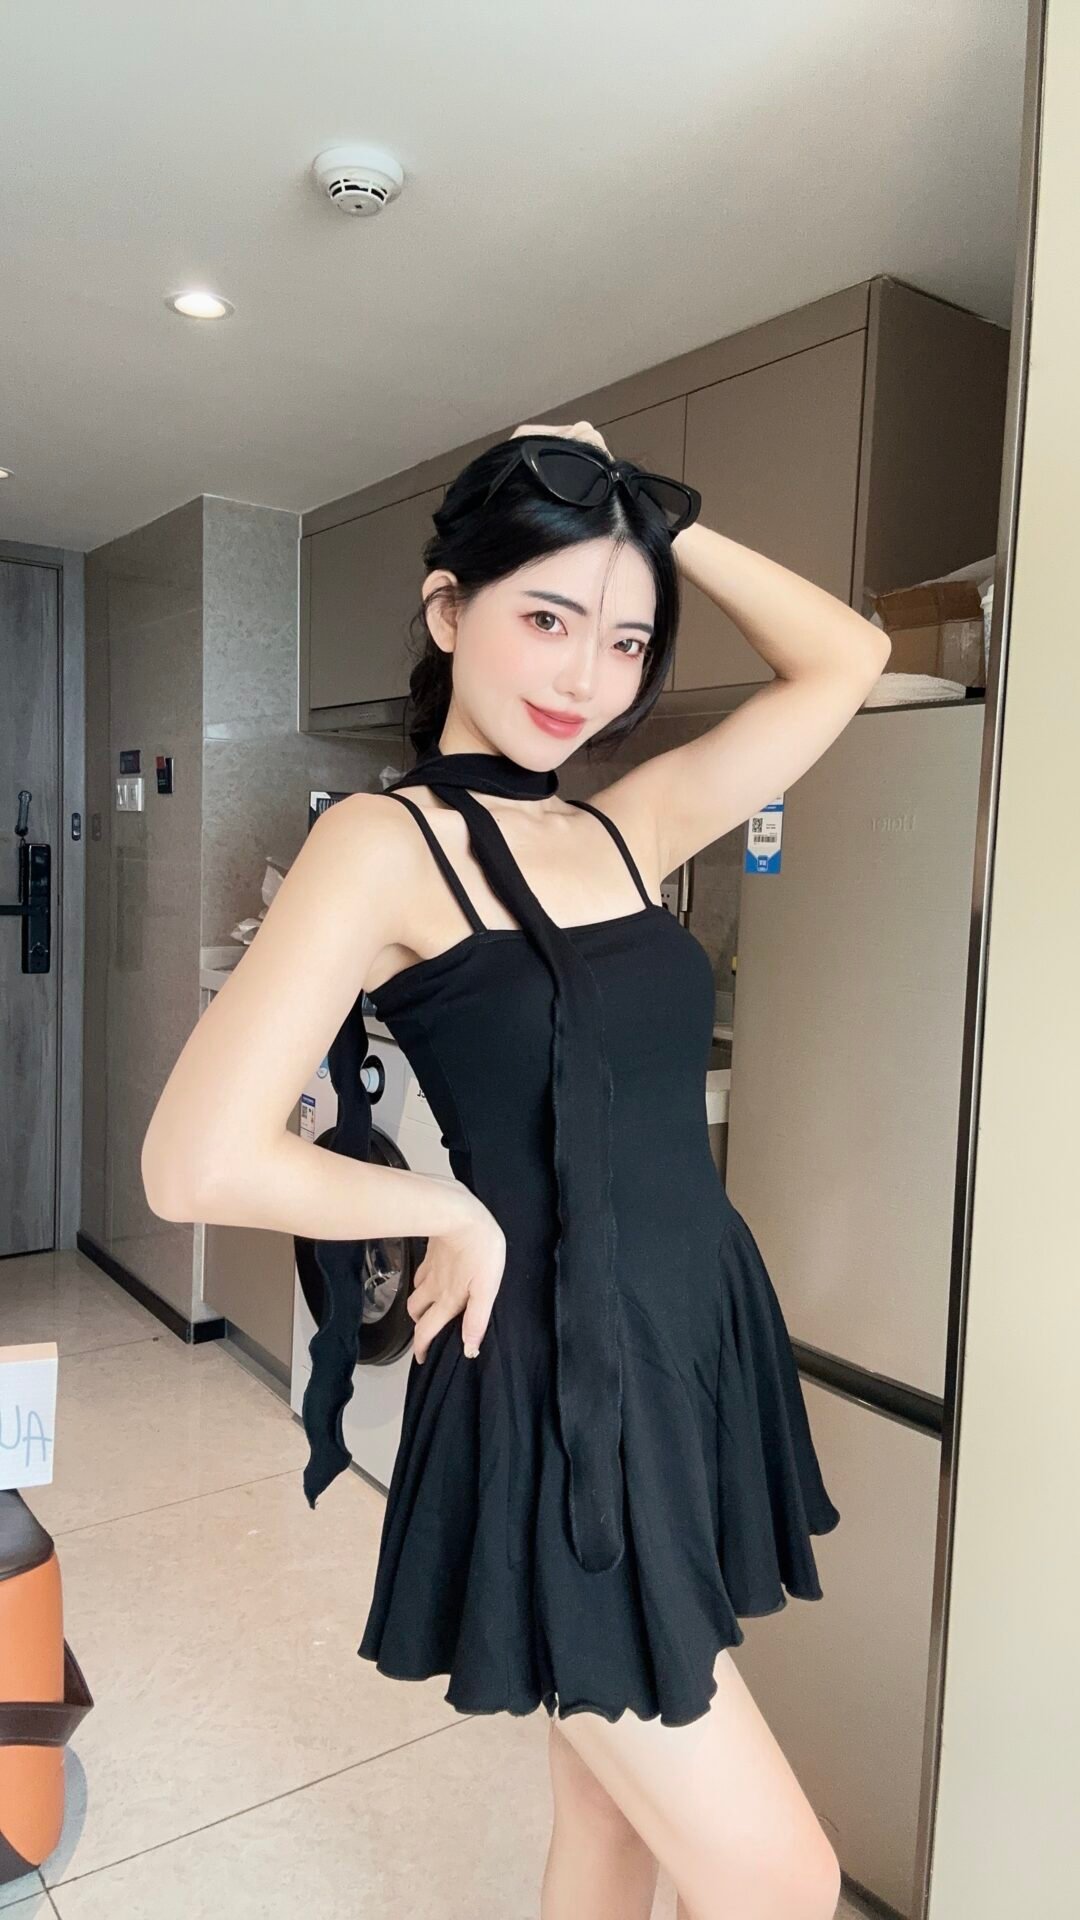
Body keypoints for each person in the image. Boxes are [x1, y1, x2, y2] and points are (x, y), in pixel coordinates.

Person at [142, 420, 889, 1920]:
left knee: (611, 1828)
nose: (584, 676)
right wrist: (439, 1205)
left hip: (684, 1349)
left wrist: (653, 519)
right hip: (559, 1387)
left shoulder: (622, 827)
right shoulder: (383, 841)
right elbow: (193, 1158)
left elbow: (847, 658)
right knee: (784, 1882)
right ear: (447, 609)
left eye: (625, 641)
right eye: (546, 618)